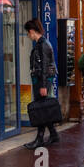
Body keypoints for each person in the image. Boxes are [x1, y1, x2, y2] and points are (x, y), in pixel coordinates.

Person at [22, 20, 59, 149]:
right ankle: (53, 135)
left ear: (32, 31)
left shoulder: (42, 45)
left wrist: (43, 85)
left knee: (41, 109)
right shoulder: (42, 43)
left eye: (28, 33)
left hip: (42, 80)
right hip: (41, 79)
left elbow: (44, 66)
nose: (28, 35)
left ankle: (40, 139)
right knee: (43, 108)